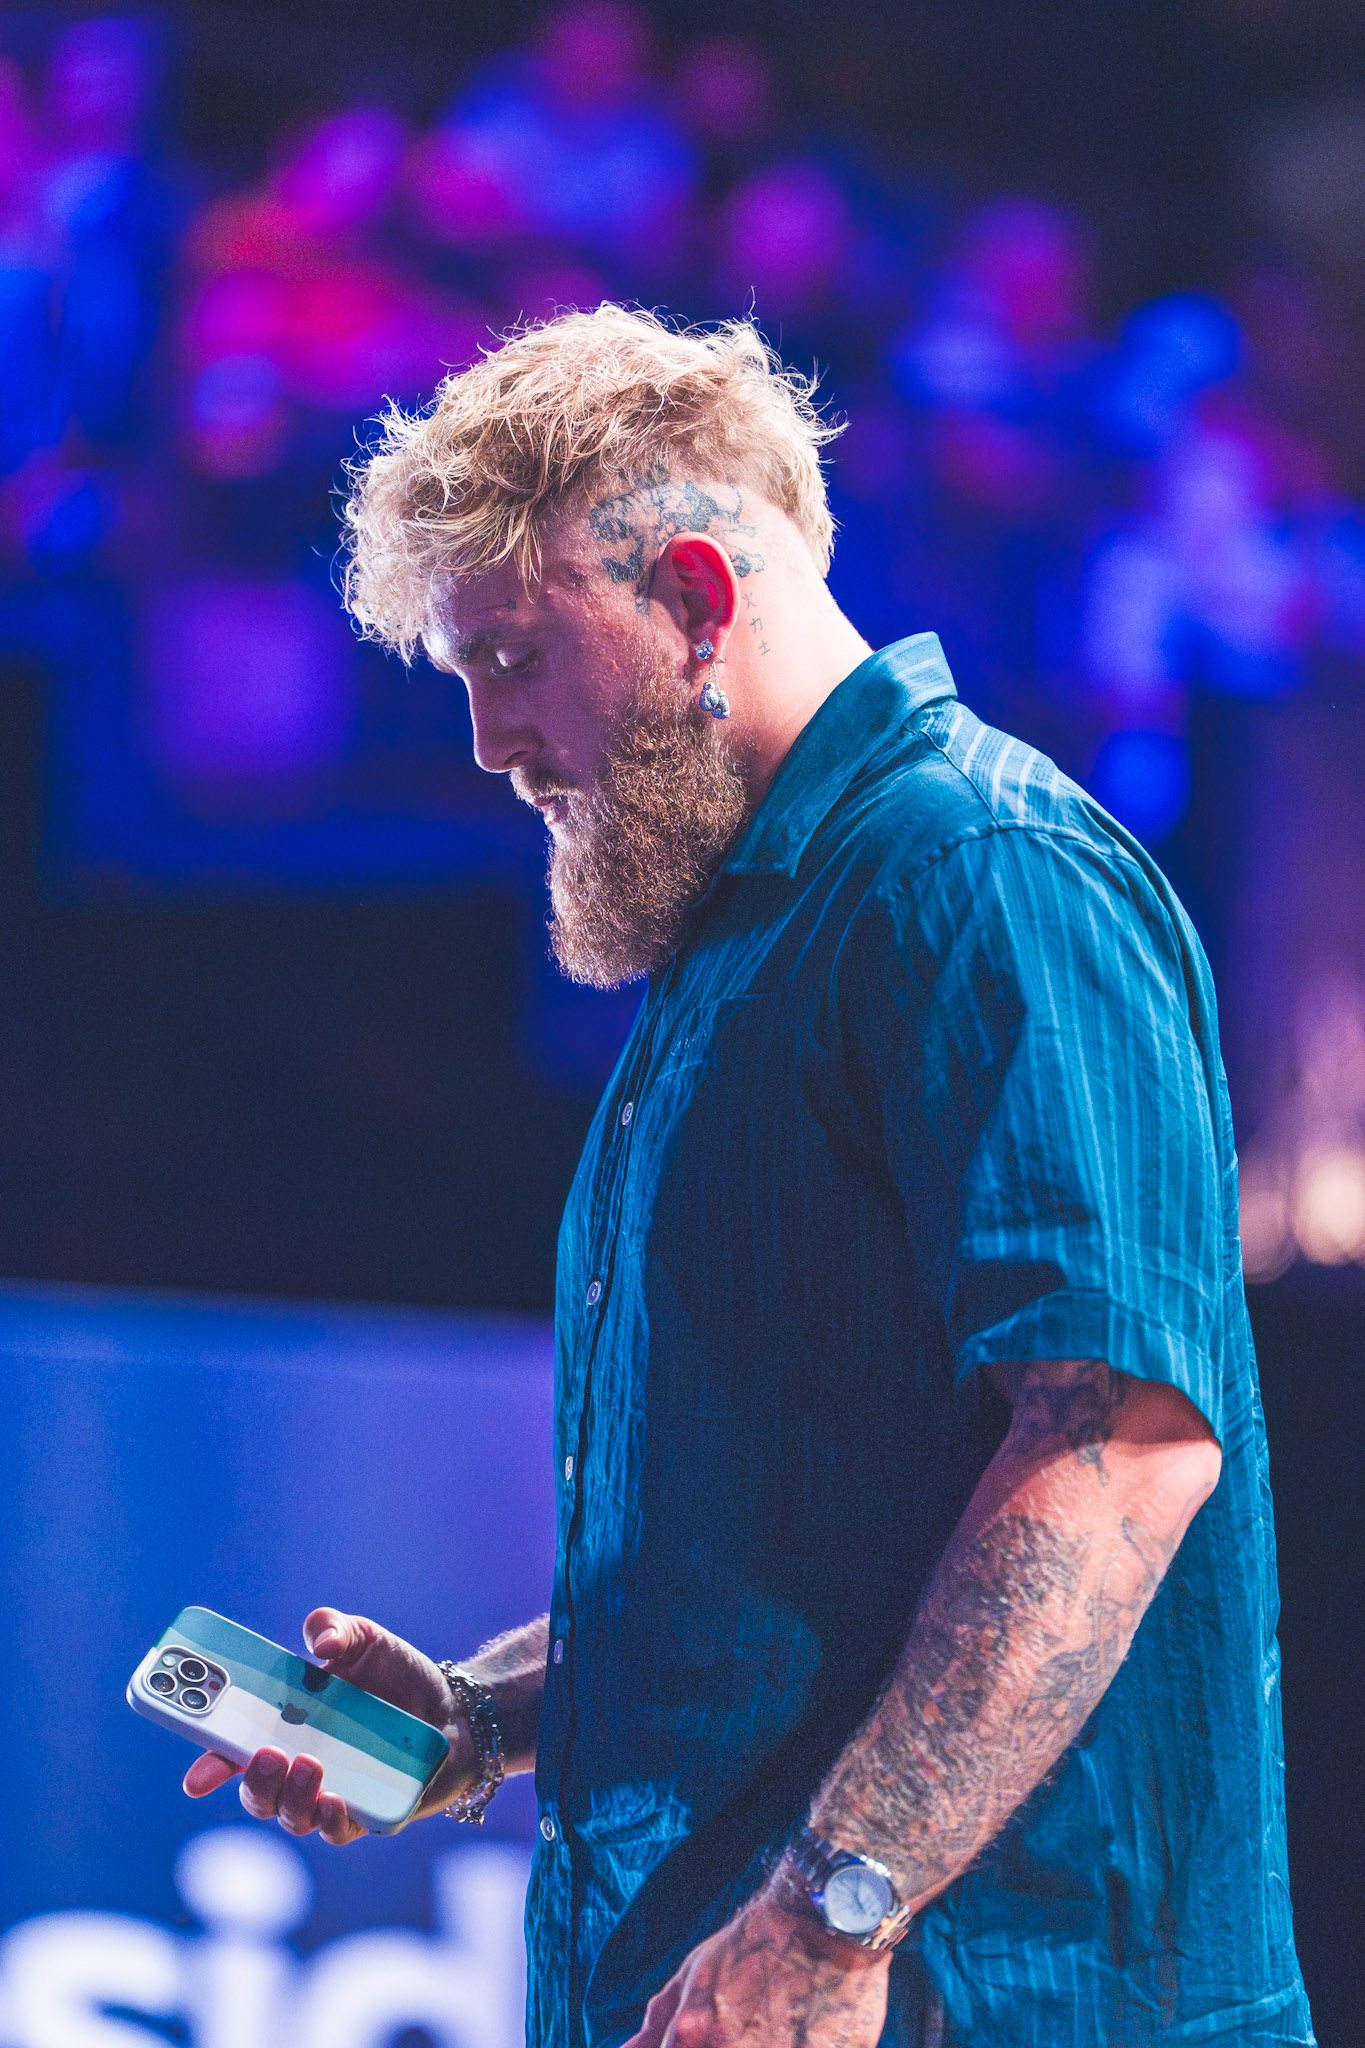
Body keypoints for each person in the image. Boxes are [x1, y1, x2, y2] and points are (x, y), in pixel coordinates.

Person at [182, 306, 1314, 2048]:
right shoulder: (751, 931)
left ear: (698, 599)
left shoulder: (979, 873)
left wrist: (835, 1908)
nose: (488, 740)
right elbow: (800, 1561)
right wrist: (477, 1721)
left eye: (510, 657)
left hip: (994, 2000)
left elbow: (1120, 1449)